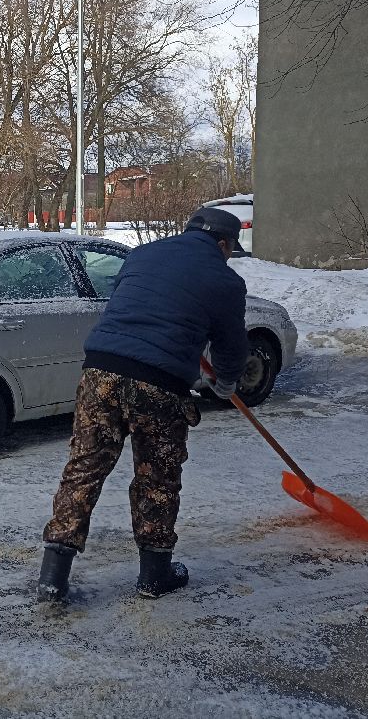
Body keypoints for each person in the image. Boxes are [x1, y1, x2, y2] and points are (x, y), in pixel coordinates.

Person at [38, 206, 250, 602]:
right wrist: (225, 382)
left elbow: (132, 304)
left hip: (101, 371)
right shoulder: (225, 280)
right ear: (223, 244)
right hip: (160, 384)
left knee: (84, 467)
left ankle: (53, 576)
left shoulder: (142, 254)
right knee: (157, 477)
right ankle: (155, 576)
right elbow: (231, 347)